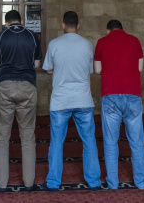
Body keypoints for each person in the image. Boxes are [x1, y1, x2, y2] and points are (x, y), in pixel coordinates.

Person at [42, 11, 101, 191]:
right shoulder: (87, 45)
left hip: (61, 100)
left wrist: (59, 70)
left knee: (56, 142)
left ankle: (53, 182)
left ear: (62, 25)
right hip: (83, 99)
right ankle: (93, 181)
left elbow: (48, 69)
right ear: (78, 25)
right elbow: (89, 70)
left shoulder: (54, 44)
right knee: (89, 140)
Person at [0, 9, 42, 192]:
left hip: (5, 86)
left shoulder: (0, 36)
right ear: (22, 20)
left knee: (2, 137)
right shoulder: (33, 36)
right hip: (27, 86)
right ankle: (29, 183)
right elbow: (36, 65)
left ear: (6, 23)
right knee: (27, 136)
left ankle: (2, 183)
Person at [94, 19, 144, 190]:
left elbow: (96, 69)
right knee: (137, 141)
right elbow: (139, 68)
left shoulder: (102, 42)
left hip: (110, 94)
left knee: (110, 141)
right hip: (132, 93)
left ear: (108, 30)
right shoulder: (134, 40)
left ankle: (113, 183)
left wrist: (110, 70)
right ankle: (140, 182)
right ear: (122, 29)